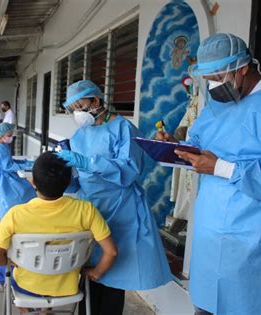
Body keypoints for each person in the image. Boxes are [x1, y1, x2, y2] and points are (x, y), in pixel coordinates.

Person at [157, 33, 261, 315]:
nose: (213, 86)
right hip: (211, 233)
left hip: (256, 236)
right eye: (208, 80)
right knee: (206, 306)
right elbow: (201, 146)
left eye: (218, 76)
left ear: (243, 67)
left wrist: (221, 167)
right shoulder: (220, 104)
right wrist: (175, 148)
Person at [56, 80, 173, 315]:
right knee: (87, 278)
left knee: (113, 278)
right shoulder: (79, 135)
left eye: (80, 106)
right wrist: (62, 176)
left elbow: (129, 171)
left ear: (96, 101)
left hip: (121, 209)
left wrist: (88, 162)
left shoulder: (124, 129)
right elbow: (77, 179)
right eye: (73, 109)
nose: (77, 113)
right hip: (89, 207)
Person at [0, 151, 117, 302]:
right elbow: (112, 252)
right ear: (69, 182)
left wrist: (12, 263)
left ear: (32, 182)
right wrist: (96, 272)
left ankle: (27, 308)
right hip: (68, 288)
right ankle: (42, 309)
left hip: (27, 286)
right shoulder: (87, 210)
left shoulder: (15, 214)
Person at [0, 122, 36, 219]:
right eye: (9, 135)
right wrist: (26, 165)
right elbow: (7, 166)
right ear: (1, 135)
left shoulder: (1, 145)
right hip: (2, 178)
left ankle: (23, 214)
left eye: (11, 134)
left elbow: (9, 160)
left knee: (26, 187)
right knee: (24, 190)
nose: (11, 137)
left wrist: (24, 162)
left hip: (5, 174)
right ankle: (15, 216)